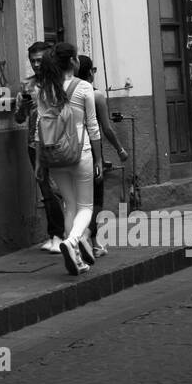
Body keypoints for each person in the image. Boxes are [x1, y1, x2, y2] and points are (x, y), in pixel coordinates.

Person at [34, 42, 102, 275]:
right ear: (73, 61)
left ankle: (78, 260)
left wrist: (39, 162)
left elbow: (38, 130)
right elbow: (93, 127)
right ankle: (72, 241)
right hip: (80, 153)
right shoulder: (83, 88)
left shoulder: (44, 90)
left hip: (54, 157)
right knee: (86, 207)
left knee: (69, 204)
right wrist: (99, 158)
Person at [74, 55, 129, 257]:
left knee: (77, 201)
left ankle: (80, 240)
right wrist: (120, 149)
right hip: (91, 152)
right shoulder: (95, 96)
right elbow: (105, 128)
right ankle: (91, 240)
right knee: (96, 200)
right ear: (90, 72)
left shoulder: (68, 92)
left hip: (71, 151)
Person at [15, 41, 63, 251]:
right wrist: (25, 107)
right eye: (32, 61)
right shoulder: (27, 85)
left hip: (56, 142)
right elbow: (18, 118)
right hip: (34, 143)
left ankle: (64, 234)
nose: (35, 65)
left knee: (57, 189)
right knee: (45, 190)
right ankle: (55, 234)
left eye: (39, 60)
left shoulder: (59, 82)